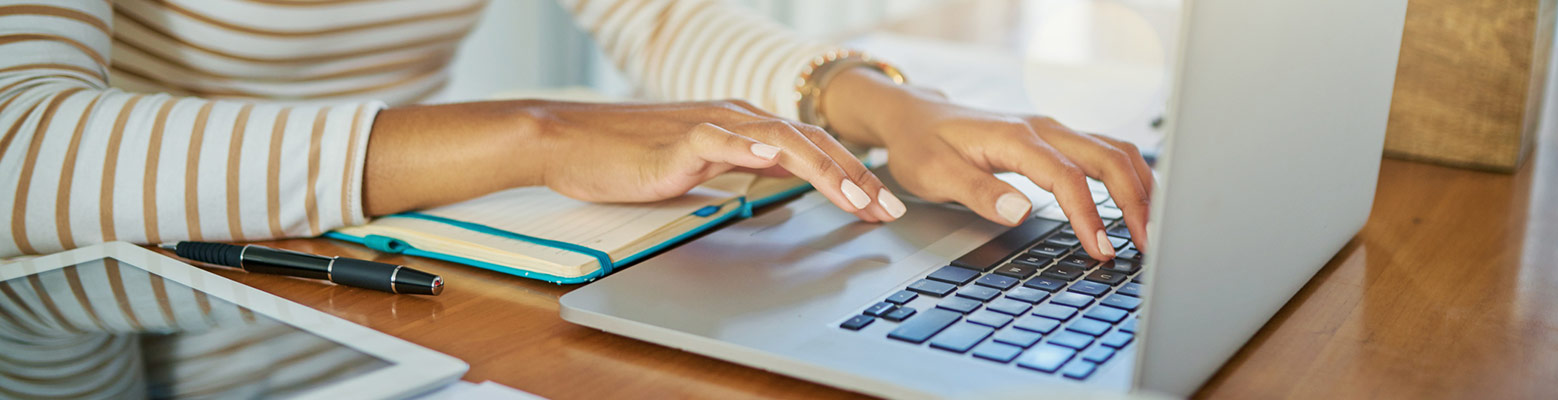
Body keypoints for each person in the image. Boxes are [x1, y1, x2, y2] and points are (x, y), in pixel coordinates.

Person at [0, 0, 1154, 262]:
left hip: (403, 290)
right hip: (125, 317)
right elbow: (20, 150)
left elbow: (657, 12)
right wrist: (538, 132)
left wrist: (890, 105)